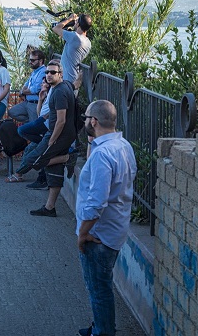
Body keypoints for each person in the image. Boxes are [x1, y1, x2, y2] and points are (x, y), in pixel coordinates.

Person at [76, 100, 136, 336]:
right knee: (102, 286)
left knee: (99, 289)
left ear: (94, 121)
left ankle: (102, 332)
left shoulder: (103, 154)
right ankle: (100, 327)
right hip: (115, 228)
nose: (84, 121)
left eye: (86, 118)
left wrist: (82, 234)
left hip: (97, 234)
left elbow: (97, 201)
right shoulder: (123, 145)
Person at [29, 60, 77, 217]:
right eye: (47, 72)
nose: (48, 75)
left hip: (59, 135)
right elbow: (76, 84)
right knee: (53, 168)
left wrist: (52, 139)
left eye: (52, 72)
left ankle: (69, 157)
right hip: (64, 135)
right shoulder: (66, 86)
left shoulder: (58, 92)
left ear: (60, 74)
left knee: (37, 161)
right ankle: (50, 207)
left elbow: (61, 120)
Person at [7, 49, 46, 123]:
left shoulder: (43, 72)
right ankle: (29, 122)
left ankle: (33, 124)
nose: (30, 62)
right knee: (12, 112)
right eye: (30, 60)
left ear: (40, 61)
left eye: (33, 60)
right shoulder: (35, 72)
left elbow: (36, 89)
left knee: (33, 128)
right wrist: (23, 91)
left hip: (35, 103)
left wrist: (24, 92)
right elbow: (26, 84)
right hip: (27, 102)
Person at [54, 13, 93, 87]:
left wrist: (69, 19)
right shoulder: (88, 42)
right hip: (74, 78)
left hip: (66, 79)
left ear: (78, 25)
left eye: (76, 21)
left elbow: (55, 28)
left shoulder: (74, 37)